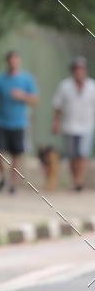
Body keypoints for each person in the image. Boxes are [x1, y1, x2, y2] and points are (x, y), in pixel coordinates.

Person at [0, 51, 39, 193]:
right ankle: (2, 176)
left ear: (19, 61)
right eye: (11, 60)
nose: (13, 62)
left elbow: (35, 100)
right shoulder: (0, 79)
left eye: (15, 60)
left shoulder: (27, 79)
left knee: (16, 154)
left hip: (19, 122)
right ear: (7, 62)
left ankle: (12, 183)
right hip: (1, 121)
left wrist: (22, 96)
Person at [52, 57, 95, 191]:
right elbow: (58, 106)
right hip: (69, 125)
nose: (79, 72)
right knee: (72, 155)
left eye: (81, 70)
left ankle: (79, 180)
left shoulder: (92, 86)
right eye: (76, 70)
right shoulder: (65, 86)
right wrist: (56, 122)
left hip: (87, 125)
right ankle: (75, 179)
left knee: (82, 154)